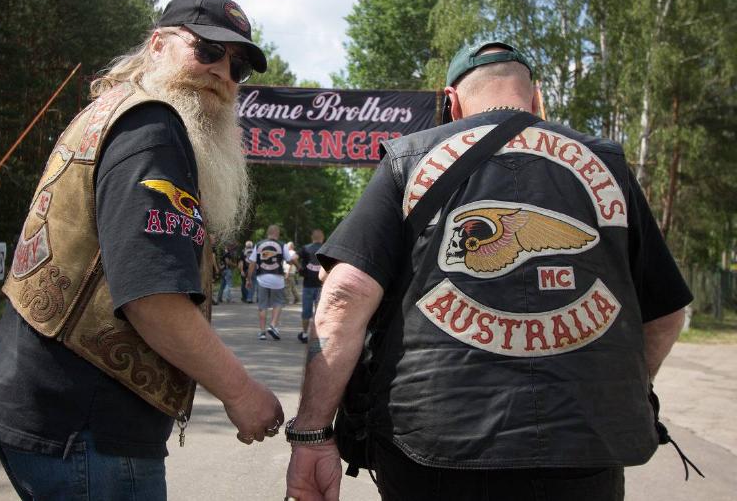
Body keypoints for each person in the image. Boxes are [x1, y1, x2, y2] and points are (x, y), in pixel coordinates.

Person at [284, 41, 692, 501]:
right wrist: (621, 390)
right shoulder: (608, 164)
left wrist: (313, 434)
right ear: (536, 97)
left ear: (450, 101)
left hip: (433, 447)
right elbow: (665, 314)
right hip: (582, 449)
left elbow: (344, 296)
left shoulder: (410, 158)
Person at [0, 0, 284, 500]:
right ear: (158, 44)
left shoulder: (112, 112)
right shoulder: (154, 126)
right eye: (206, 49)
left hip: (56, 415)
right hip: (88, 427)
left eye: (239, 65)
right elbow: (152, 296)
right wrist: (241, 392)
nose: (223, 72)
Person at [246, 224, 295, 340]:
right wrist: (296, 264)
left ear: (268, 233)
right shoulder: (282, 244)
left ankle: (262, 333)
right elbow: (289, 261)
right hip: (277, 279)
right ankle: (273, 325)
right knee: (278, 303)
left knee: (262, 306)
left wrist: (248, 279)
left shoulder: (258, 244)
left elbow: (252, 263)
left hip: (262, 278)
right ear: (277, 233)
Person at [296, 229, 325, 344]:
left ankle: (304, 333)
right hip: (322, 285)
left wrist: (300, 269)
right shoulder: (327, 248)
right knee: (320, 312)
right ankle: (317, 335)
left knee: (306, 312)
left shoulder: (305, 248)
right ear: (322, 238)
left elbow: (293, 257)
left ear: (312, 237)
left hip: (307, 284)